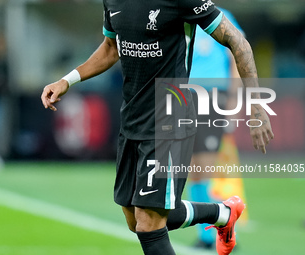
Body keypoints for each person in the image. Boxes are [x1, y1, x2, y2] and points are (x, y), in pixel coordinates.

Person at [41, 1, 274, 254]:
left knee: (149, 223)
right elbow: (111, 47)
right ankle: (222, 213)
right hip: (132, 118)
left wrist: (256, 107)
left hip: (171, 115)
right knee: (135, 217)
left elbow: (238, 43)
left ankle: (217, 218)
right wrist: (67, 80)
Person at [187, 8, 244, 249]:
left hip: (212, 98)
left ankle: (224, 228)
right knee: (192, 169)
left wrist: (232, 104)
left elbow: (237, 57)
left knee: (207, 167)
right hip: (184, 97)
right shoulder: (182, 16)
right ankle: (207, 234)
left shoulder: (222, 16)